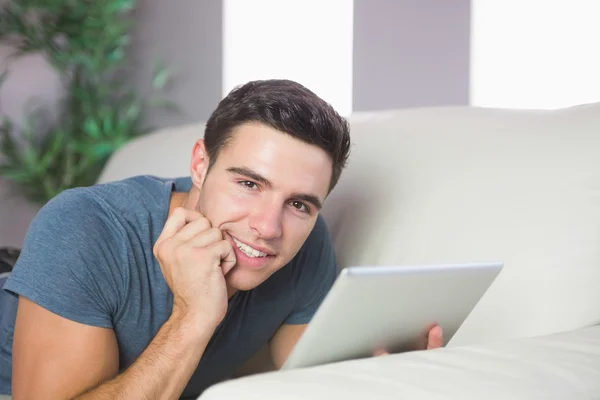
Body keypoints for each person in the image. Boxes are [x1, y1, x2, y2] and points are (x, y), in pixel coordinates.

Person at [0, 79, 443, 399]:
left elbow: (307, 376)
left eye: (299, 204)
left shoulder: (307, 244)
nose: (268, 228)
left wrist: (392, 373)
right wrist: (193, 316)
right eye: (249, 184)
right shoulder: (85, 226)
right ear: (199, 165)